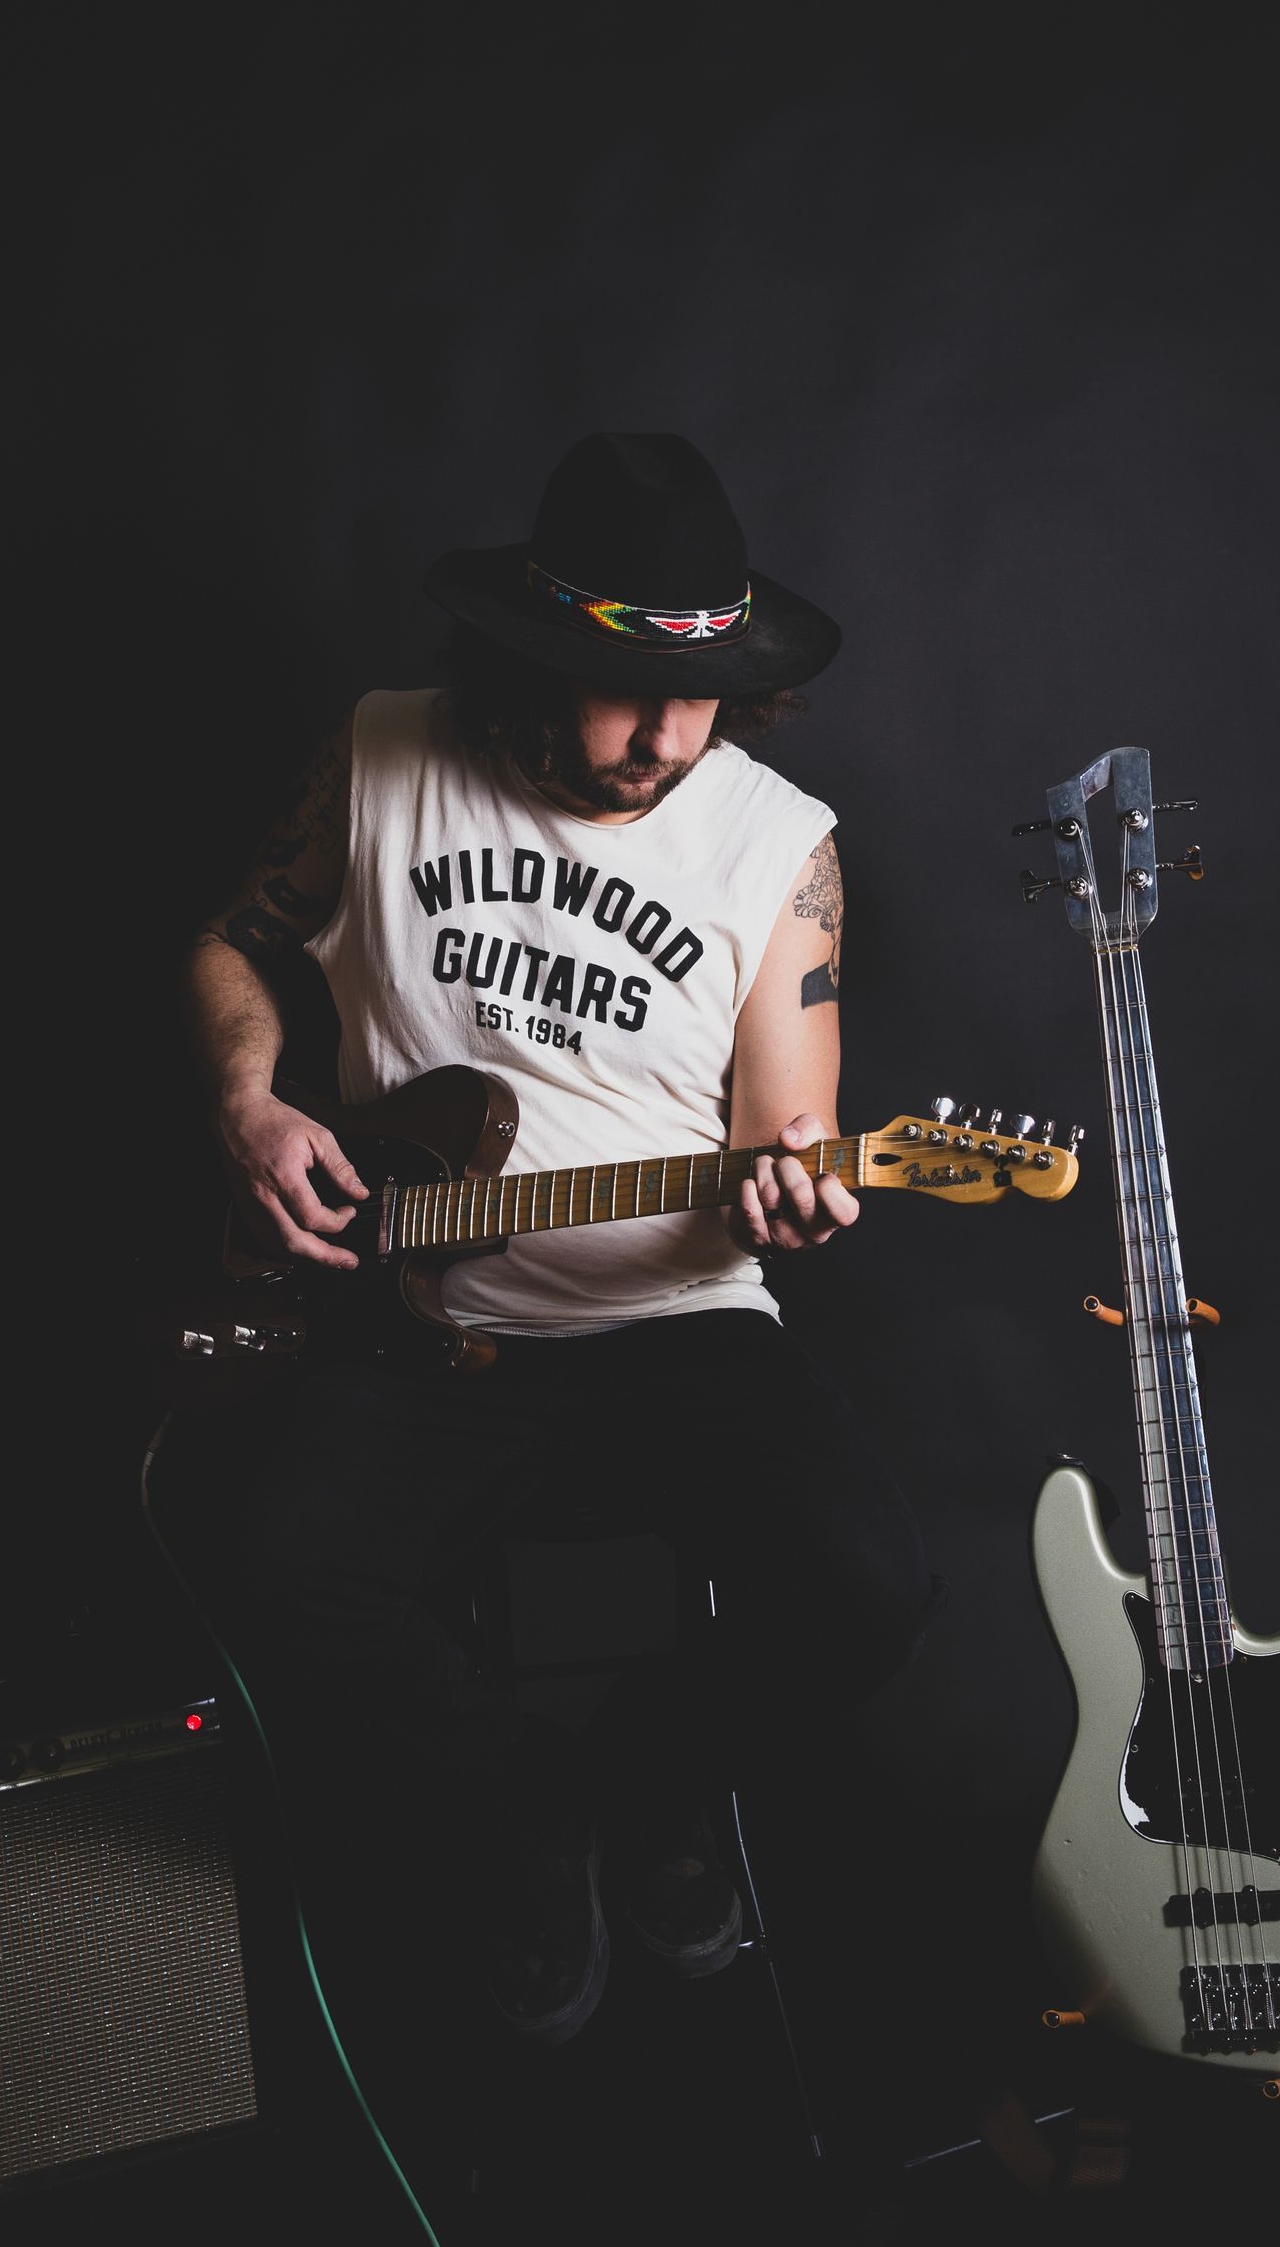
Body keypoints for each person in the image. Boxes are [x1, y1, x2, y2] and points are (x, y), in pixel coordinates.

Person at [175, 433, 930, 2050]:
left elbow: (784, 1133)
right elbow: (236, 943)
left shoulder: (777, 845)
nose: (660, 736)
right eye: (618, 688)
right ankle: (532, 1811)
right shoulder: (383, 753)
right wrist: (253, 1100)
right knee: (261, 1564)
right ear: (522, 651)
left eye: (695, 694)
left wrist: (797, 1183)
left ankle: (654, 1789)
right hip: (404, 1314)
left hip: (677, 1316)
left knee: (868, 1591)